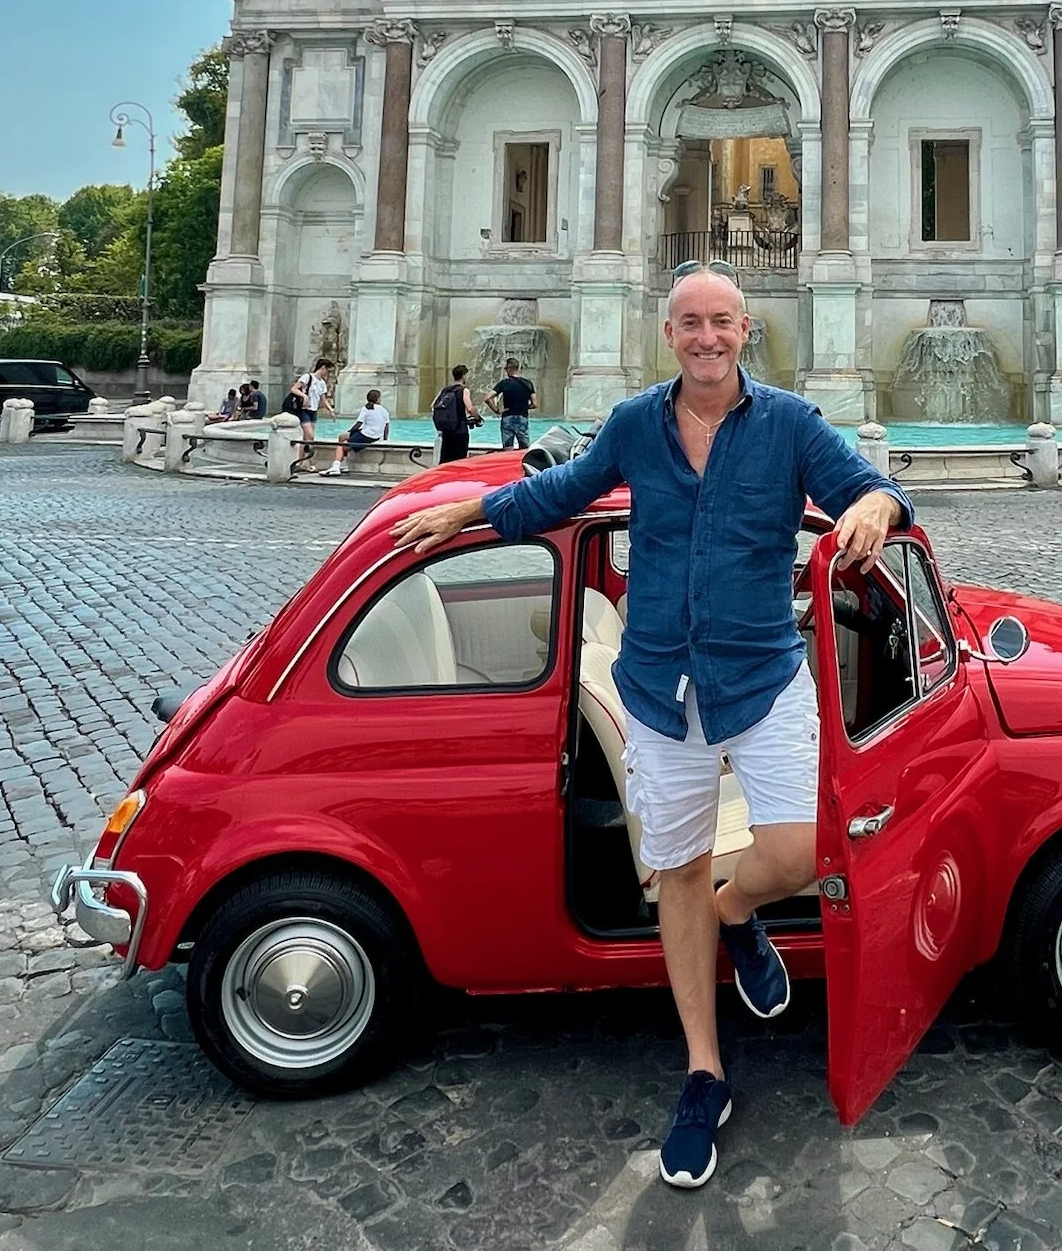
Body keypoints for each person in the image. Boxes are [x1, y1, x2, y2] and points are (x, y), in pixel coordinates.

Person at [389, 259, 911, 1191]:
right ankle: (703, 1074)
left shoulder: (789, 423)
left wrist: (873, 503)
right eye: (689, 323)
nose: (706, 336)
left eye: (721, 320)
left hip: (762, 677)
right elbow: (566, 490)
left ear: (745, 329)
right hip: (661, 687)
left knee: (797, 848)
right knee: (670, 871)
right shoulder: (636, 423)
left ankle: (740, 911)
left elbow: (869, 488)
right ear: (668, 334)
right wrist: (472, 507)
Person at [326, 388, 391, 475]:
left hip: (367, 436)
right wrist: (385, 440)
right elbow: (386, 427)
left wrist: (351, 431)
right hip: (374, 435)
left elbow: (359, 423)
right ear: (378, 399)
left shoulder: (366, 408)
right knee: (342, 437)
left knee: (341, 445)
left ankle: (335, 467)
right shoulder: (384, 410)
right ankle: (343, 464)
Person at [289, 358, 332, 471]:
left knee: (306, 438)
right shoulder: (307, 377)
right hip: (304, 410)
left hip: (313, 411)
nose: (328, 373)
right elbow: (294, 389)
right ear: (323, 368)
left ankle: (301, 463)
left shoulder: (322, 383)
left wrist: (330, 409)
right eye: (328, 370)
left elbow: (323, 399)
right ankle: (307, 462)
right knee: (310, 436)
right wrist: (304, 396)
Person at [431, 365, 479, 464]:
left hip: (447, 431)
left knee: (446, 460)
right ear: (464, 376)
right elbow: (470, 408)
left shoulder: (446, 390)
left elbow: (433, 406)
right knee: (459, 460)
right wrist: (477, 417)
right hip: (460, 430)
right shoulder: (463, 390)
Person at [489, 357, 537, 450]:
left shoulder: (504, 383)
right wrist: (524, 406)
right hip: (522, 417)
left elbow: (488, 398)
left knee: (508, 448)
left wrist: (497, 410)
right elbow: (535, 404)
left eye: (506, 368)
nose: (506, 371)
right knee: (524, 448)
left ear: (510, 368)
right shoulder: (528, 383)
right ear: (517, 368)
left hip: (507, 417)